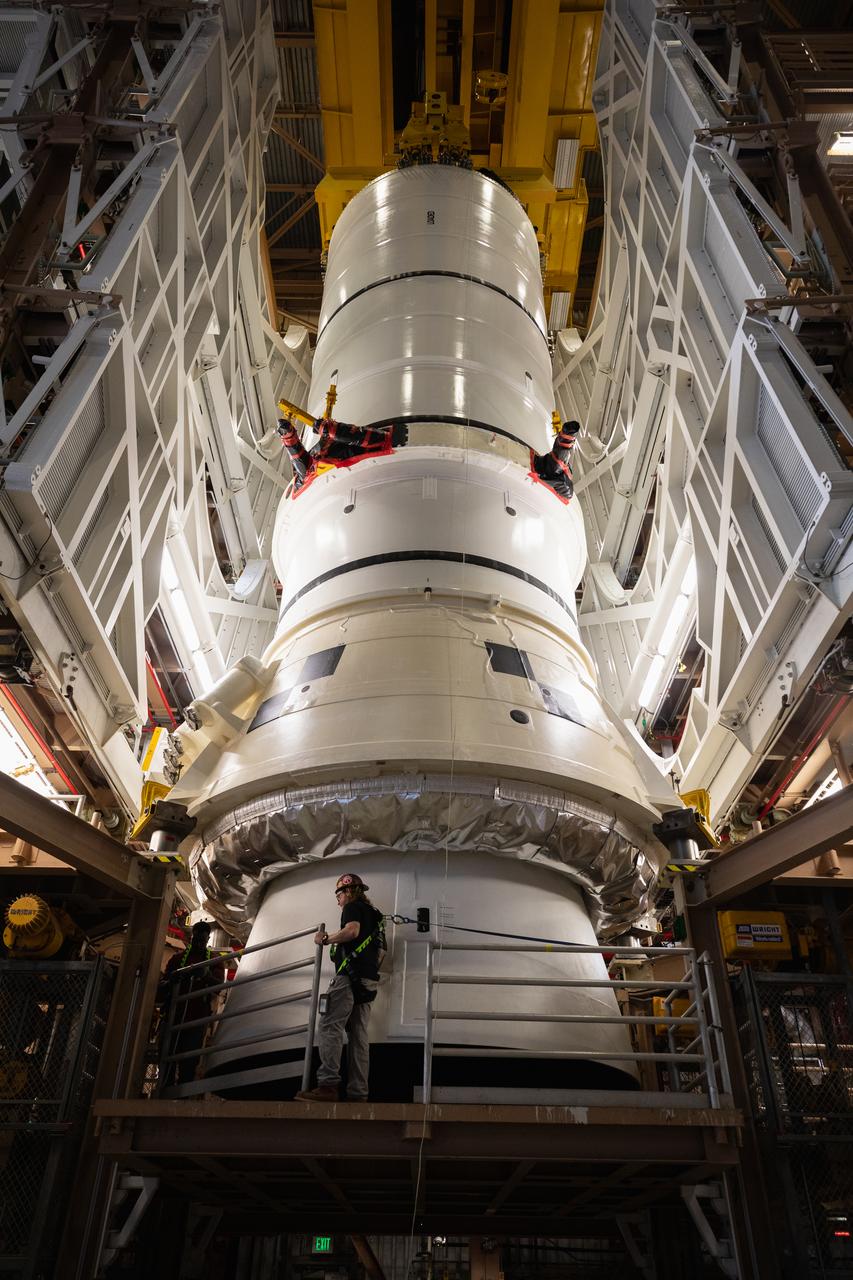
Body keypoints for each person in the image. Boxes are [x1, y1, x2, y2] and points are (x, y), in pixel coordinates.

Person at [295, 871, 386, 1102]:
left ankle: (327, 1086)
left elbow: (352, 931)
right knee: (359, 1036)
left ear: (347, 891)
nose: (337, 900)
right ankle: (358, 1093)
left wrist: (325, 939)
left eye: (338, 894)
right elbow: (381, 953)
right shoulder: (376, 916)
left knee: (329, 1026)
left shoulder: (352, 907)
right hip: (367, 980)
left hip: (348, 977)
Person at [160, 920, 225, 1087]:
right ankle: (164, 1092)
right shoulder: (178, 959)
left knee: (188, 1063)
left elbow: (219, 986)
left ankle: (181, 1097)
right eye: (196, 940)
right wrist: (173, 979)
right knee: (167, 1058)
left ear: (208, 939)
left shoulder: (214, 961)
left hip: (196, 1019)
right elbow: (163, 984)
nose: (198, 944)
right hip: (174, 1016)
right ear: (191, 937)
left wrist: (205, 975)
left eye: (202, 941)